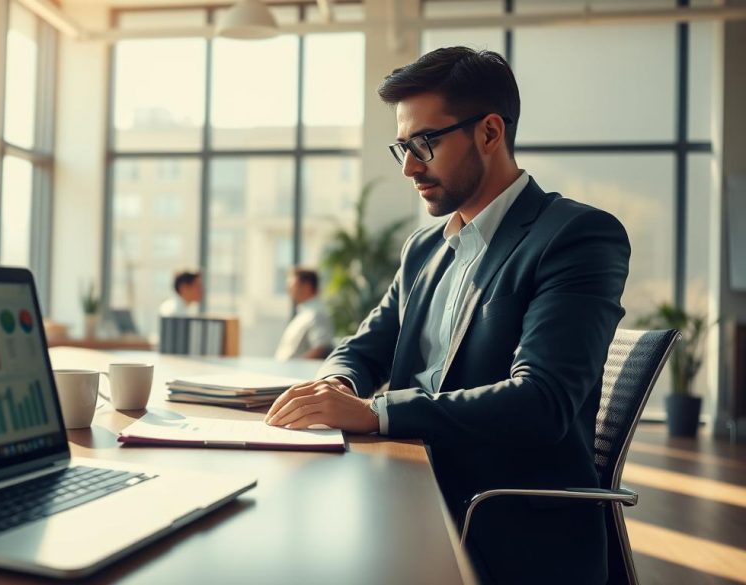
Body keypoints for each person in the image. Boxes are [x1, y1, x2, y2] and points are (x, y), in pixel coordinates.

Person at [264, 47, 630, 585]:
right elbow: (365, 346)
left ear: (489, 132)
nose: (411, 166)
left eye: (425, 143)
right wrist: (339, 385)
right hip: (407, 491)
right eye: (403, 147)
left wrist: (375, 413)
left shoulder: (576, 237)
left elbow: (542, 401)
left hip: (503, 526)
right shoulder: (425, 249)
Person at [274, 268, 334, 361]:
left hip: (296, 373)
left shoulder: (316, 314)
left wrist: (296, 366)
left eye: (291, 285)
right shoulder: (305, 314)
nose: (288, 290)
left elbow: (322, 347)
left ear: (307, 286)